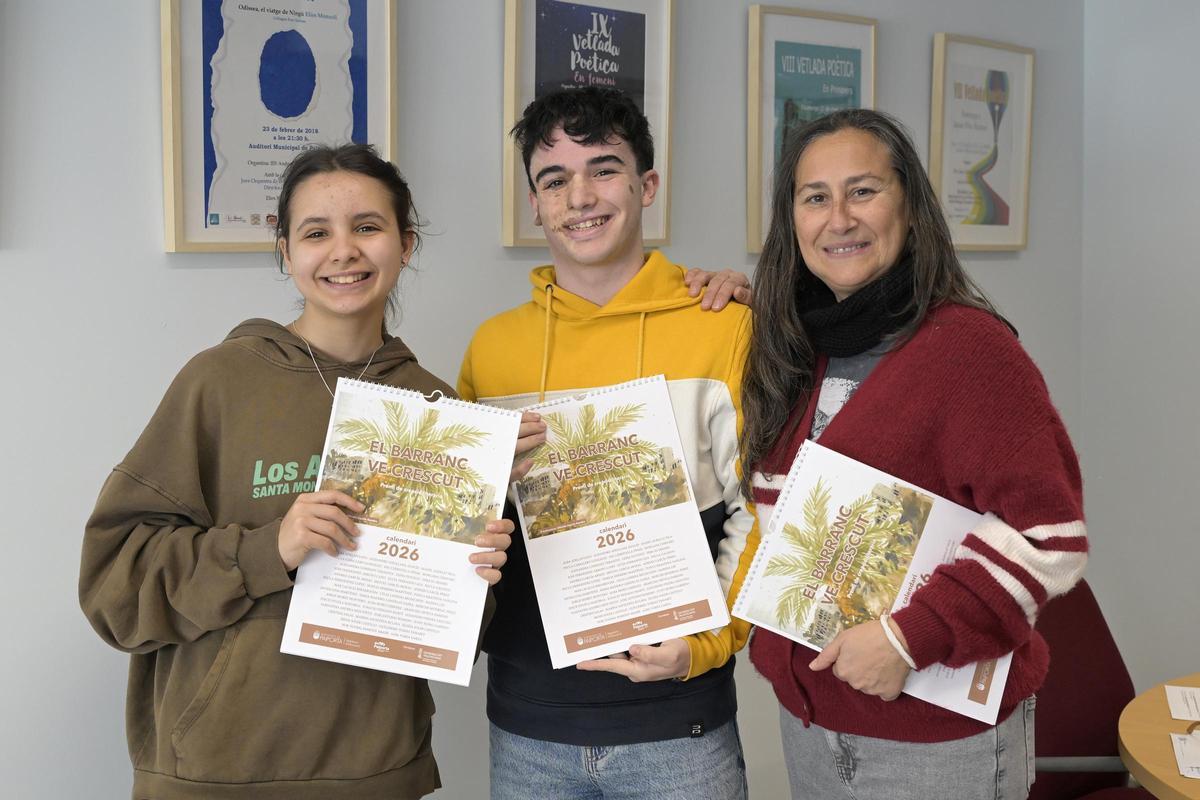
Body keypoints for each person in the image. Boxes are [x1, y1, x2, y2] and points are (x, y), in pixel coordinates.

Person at [79, 143, 540, 799]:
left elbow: (450, 634)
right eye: (317, 233)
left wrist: (478, 574)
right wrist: (271, 549)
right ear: (287, 251)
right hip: (215, 775)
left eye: (367, 227)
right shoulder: (218, 382)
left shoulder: (439, 411)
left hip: (377, 774)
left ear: (406, 244)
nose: (343, 251)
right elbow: (113, 584)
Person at [741, 108, 1088, 799]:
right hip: (812, 725)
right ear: (792, 220)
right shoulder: (791, 350)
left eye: (863, 190)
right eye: (815, 197)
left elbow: (1050, 538)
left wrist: (909, 638)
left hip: (937, 743)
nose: (839, 218)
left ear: (909, 204)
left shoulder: (970, 349)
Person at [457, 87, 759, 799]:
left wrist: (707, 645)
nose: (580, 197)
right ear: (534, 204)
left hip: (679, 726)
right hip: (528, 727)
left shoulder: (722, 325)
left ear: (646, 185)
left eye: (604, 169)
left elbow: (761, 511)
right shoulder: (492, 349)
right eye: (554, 180)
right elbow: (465, 529)